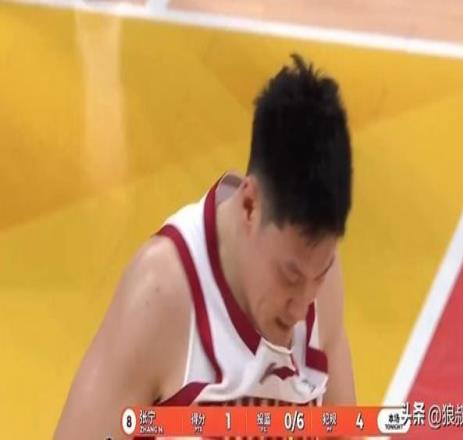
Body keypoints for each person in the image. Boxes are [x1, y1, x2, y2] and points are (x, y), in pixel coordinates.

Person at [55, 54, 356, 439]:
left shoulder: (319, 283)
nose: (301, 307)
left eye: (321, 272)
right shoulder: (162, 294)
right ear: (249, 205)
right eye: (290, 275)